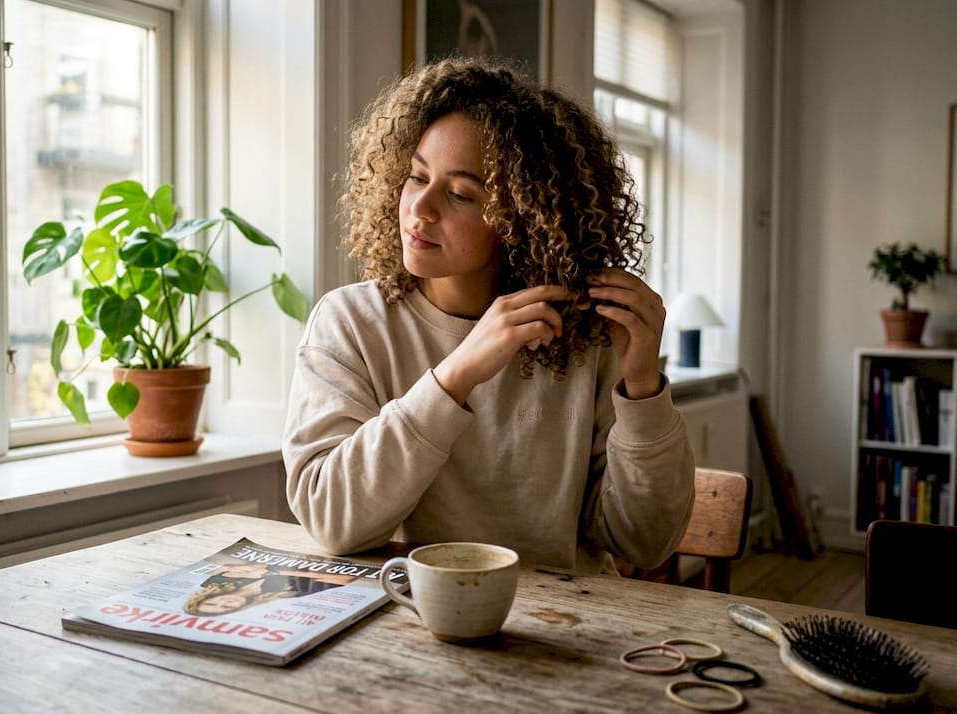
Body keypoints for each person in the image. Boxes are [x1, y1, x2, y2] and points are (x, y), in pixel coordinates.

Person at [282, 56, 695, 576]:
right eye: (415, 176)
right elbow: (331, 518)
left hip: (571, 630)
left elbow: (644, 542)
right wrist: (459, 372)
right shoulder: (350, 322)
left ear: (524, 217)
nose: (420, 209)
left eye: (459, 193)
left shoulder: (588, 336)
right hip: (412, 622)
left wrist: (642, 386)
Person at [183, 568, 357, 616]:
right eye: (225, 608)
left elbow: (238, 564)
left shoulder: (217, 581)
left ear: (205, 597)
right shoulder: (285, 595)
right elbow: (344, 579)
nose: (224, 603)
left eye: (212, 603)